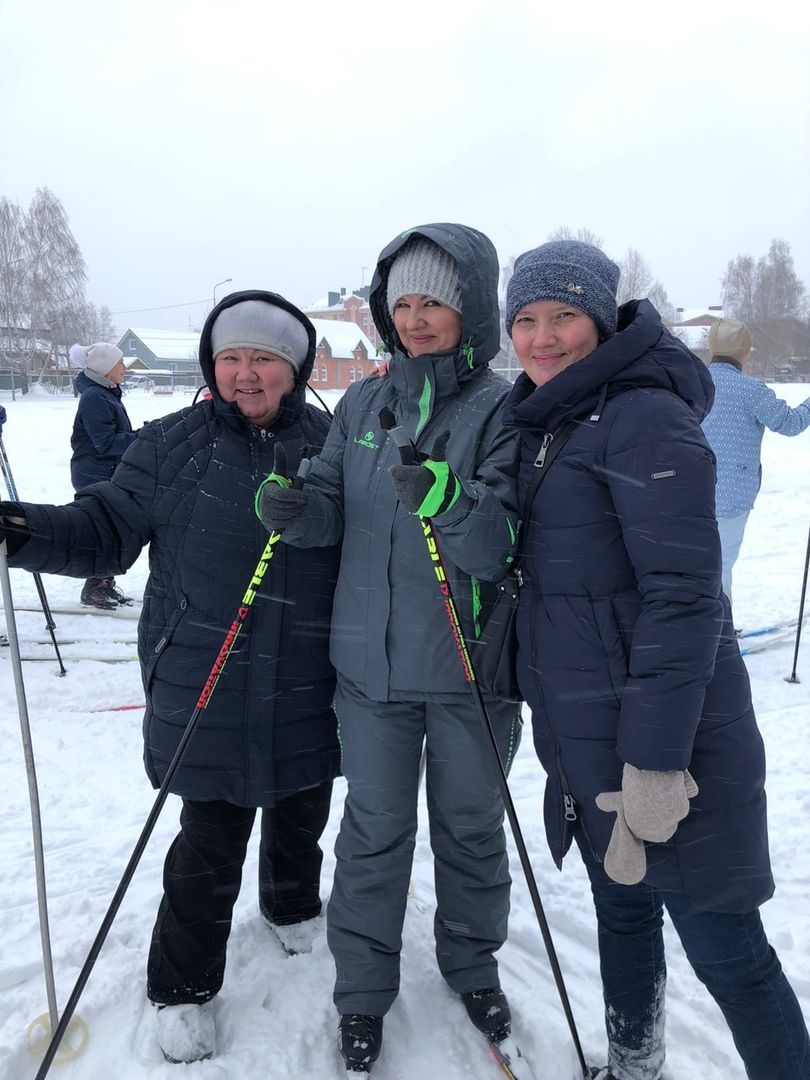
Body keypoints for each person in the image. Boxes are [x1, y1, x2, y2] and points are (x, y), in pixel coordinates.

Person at [1, 291, 341, 1065]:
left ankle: (292, 906)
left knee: (302, 807)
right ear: (211, 366)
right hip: (205, 680)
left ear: (295, 369)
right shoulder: (169, 447)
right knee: (208, 841)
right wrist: (20, 530)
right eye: (231, 358)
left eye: (264, 359)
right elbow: (102, 532)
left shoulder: (334, 446)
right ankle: (181, 990)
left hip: (308, 678)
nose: (246, 374)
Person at [502, 240, 810, 1080]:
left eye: (563, 315)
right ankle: (635, 1064)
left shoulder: (641, 414)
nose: (542, 337)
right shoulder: (554, 417)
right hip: (593, 739)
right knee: (624, 913)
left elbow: (685, 596)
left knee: (729, 953)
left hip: (673, 749)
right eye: (525, 319)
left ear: (602, 320)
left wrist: (657, 762)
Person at [258, 224, 522, 1073]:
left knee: (472, 829)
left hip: (468, 671)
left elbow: (503, 543)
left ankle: (472, 963)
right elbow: (333, 504)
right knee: (373, 833)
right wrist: (300, 513)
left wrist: (452, 500)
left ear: (468, 308)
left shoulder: (503, 410)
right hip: (368, 671)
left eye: (433, 302)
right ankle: (363, 993)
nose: (415, 318)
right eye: (402, 302)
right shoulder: (364, 405)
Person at [701, 318, 810, 611]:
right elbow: (790, 423)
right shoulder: (750, 390)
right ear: (744, 353)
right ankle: (718, 630)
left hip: (689, 492)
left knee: (695, 564)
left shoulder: (693, 381)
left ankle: (700, 626)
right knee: (720, 566)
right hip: (732, 495)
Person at [68, 341, 137, 609]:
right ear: (106, 368)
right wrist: (141, 437)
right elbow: (105, 443)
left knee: (111, 528)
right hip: (94, 475)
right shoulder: (95, 397)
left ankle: (104, 583)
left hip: (106, 473)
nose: (124, 367)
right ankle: (94, 587)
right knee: (102, 529)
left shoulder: (106, 394)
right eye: (120, 363)